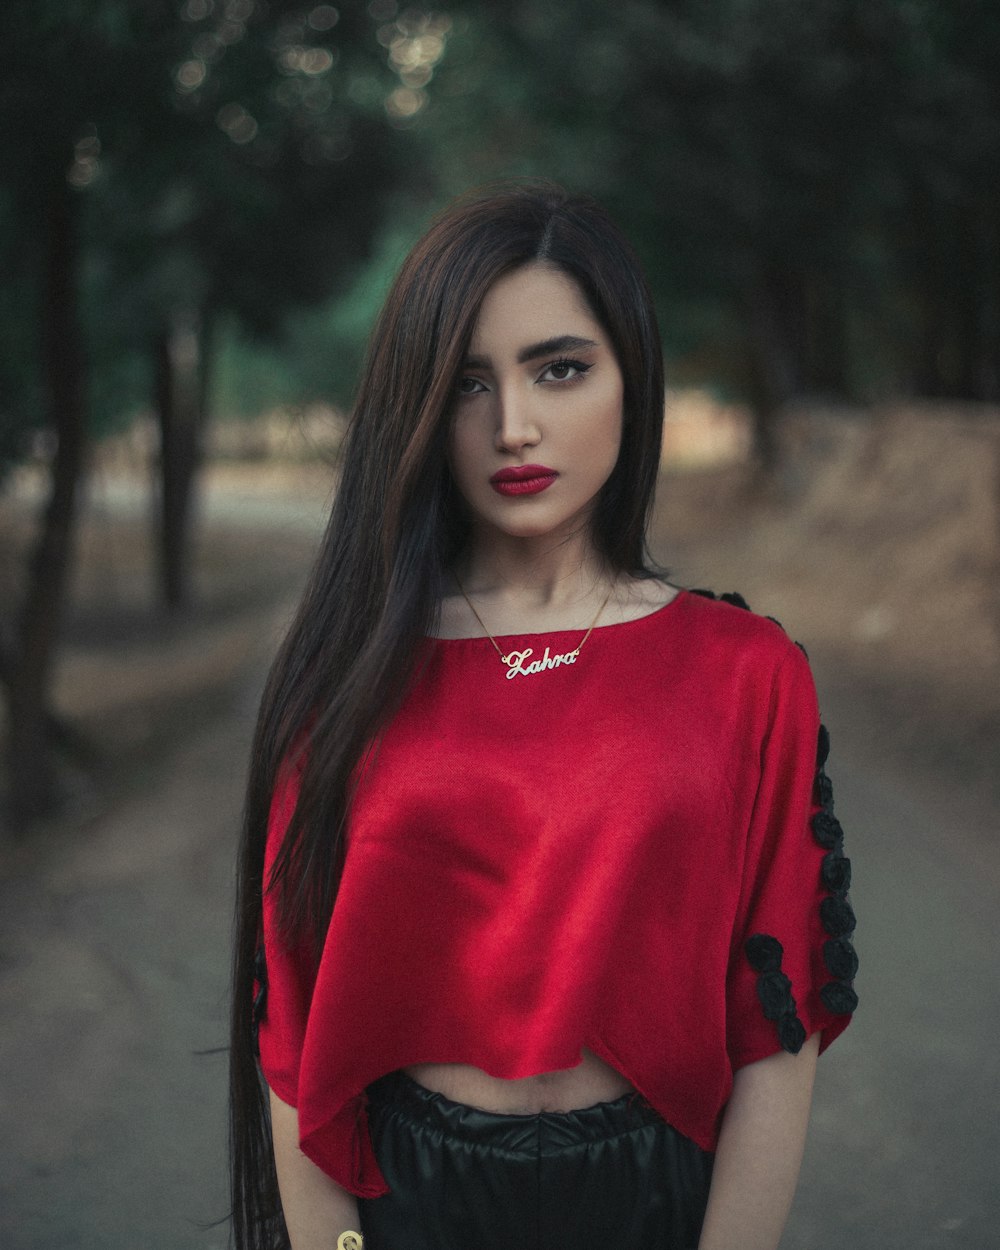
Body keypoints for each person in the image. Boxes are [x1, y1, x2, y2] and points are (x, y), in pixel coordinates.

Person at [229, 182, 859, 1250]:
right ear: (419, 403)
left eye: (559, 368)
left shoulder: (746, 670)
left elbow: (777, 1019)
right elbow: (290, 1018)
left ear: (631, 376)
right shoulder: (345, 673)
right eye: (468, 381)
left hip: (658, 1184)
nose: (513, 425)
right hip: (407, 1192)